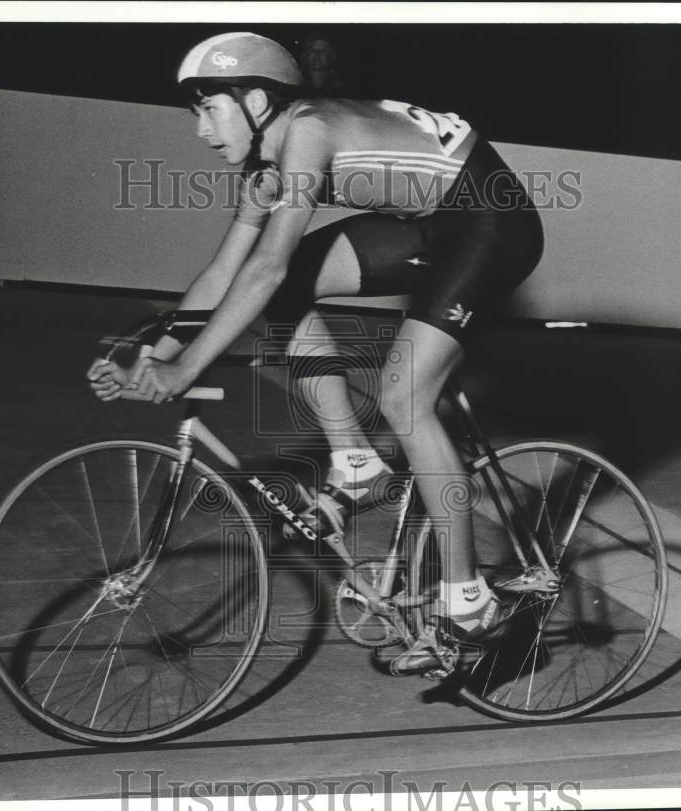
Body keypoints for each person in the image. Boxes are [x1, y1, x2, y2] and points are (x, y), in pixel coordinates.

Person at [88, 32, 544, 670]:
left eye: (208, 109)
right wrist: (155, 355)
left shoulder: (308, 132)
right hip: (425, 223)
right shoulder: (264, 169)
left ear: (255, 102)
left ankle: (468, 601)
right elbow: (225, 273)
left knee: (402, 396)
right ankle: (355, 461)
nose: (200, 130)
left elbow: (265, 267)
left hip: (491, 222)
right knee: (285, 291)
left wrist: (187, 368)